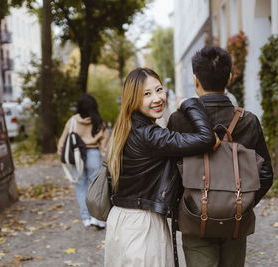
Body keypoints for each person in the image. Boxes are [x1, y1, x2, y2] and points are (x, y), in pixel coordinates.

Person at [167, 45, 274, 267]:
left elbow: (170, 174)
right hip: (236, 218)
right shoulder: (249, 121)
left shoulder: (179, 121)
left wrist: (185, 206)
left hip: (195, 218)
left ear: (196, 80)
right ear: (230, 78)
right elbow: (266, 174)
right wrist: (242, 203)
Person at [104, 67, 216, 267]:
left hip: (121, 221)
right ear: (133, 99)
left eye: (159, 89)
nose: (157, 98)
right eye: (146, 94)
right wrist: (189, 103)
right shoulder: (148, 135)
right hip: (143, 225)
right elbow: (206, 138)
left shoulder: (126, 128)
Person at [58, 94, 110, 228]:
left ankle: (85, 218)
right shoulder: (99, 121)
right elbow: (105, 145)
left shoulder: (73, 121)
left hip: (77, 156)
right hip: (93, 155)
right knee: (96, 187)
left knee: (80, 187)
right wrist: (106, 159)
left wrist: (62, 155)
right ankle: (96, 218)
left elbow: (63, 141)